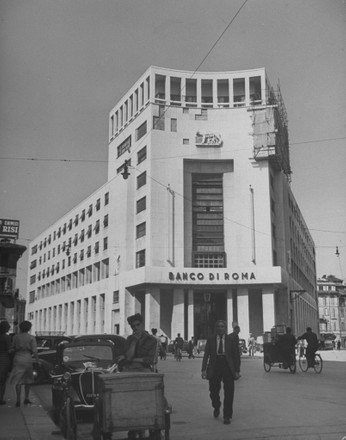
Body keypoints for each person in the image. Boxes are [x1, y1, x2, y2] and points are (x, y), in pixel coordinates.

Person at [201, 320, 240, 425]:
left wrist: (237, 371)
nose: (220, 328)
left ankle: (227, 415)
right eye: (218, 326)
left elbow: (236, 356)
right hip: (215, 365)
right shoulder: (211, 339)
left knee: (229, 391)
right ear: (216, 328)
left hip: (227, 366)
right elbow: (206, 355)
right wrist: (203, 369)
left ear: (225, 328)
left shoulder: (231, 339)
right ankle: (216, 405)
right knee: (213, 390)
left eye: (222, 326)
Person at [9, 320, 39, 407]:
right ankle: (26, 398)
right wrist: (37, 360)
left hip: (18, 358)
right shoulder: (31, 337)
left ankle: (18, 400)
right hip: (27, 358)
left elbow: (12, 348)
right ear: (29, 328)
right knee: (28, 379)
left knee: (18, 380)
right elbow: (34, 351)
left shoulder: (15, 337)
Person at [0, 321, 12, 404]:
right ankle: (0, 399)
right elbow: (9, 350)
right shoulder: (6, 337)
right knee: (2, 381)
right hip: (3, 359)